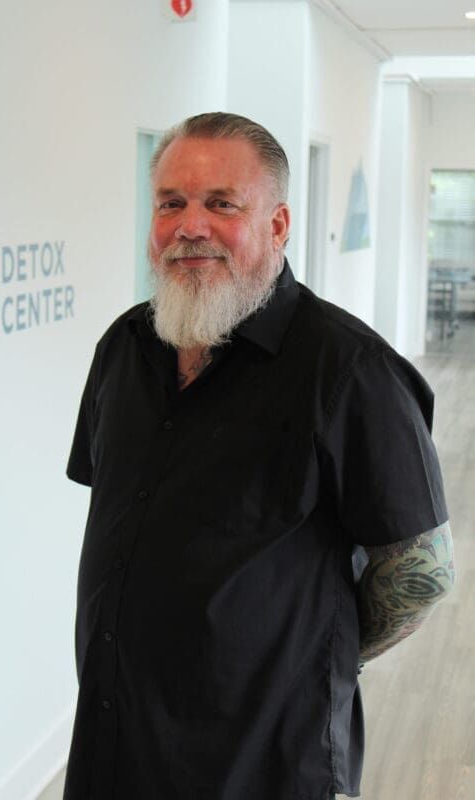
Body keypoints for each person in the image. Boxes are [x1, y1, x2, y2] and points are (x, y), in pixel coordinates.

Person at [63, 112, 455, 800]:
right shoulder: (123, 349)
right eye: (170, 203)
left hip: (264, 759)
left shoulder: (349, 370)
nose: (190, 226)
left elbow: (421, 575)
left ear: (277, 225)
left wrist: (309, 654)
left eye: (221, 204)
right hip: (115, 740)